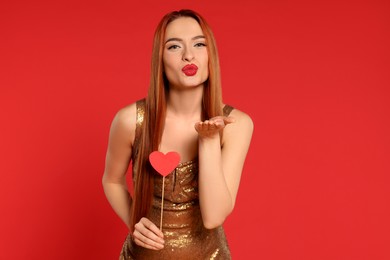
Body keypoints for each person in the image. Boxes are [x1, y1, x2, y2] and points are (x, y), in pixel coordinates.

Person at [102, 9, 253, 259]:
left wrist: (208, 140)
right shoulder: (130, 120)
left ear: (210, 54)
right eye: (174, 47)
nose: (188, 55)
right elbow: (111, 180)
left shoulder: (237, 124)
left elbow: (214, 215)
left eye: (199, 43)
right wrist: (134, 222)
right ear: (159, 59)